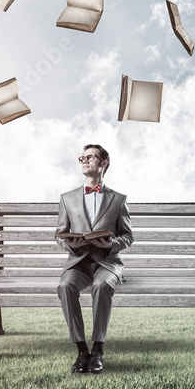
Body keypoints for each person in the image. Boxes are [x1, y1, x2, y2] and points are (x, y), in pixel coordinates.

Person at [55, 144, 133, 375]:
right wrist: (69, 244)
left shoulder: (118, 199)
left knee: (101, 285)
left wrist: (111, 244)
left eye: (90, 157)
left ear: (104, 162)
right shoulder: (67, 198)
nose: (84, 160)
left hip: (107, 262)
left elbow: (127, 236)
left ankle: (98, 349)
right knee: (65, 285)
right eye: (82, 157)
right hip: (78, 262)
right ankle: (82, 351)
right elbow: (59, 233)